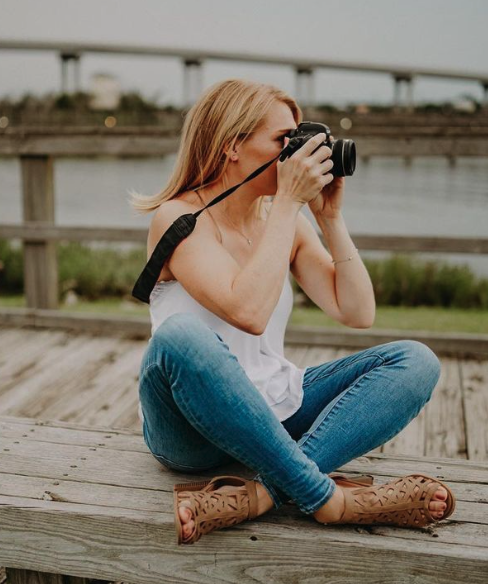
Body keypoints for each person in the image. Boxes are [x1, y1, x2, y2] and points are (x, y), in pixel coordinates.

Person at [128, 78, 455, 545]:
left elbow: (357, 310)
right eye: (284, 140)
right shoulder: (179, 218)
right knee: (180, 337)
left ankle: (261, 495)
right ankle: (331, 500)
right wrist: (288, 203)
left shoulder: (283, 219)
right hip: (189, 432)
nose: (298, 151)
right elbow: (248, 310)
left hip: (275, 408)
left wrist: (329, 217)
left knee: (415, 360)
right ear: (232, 146)